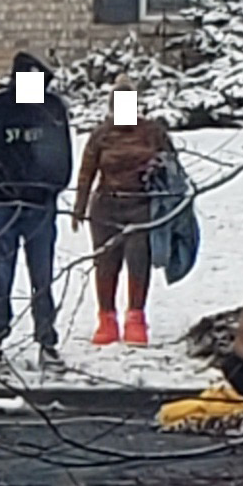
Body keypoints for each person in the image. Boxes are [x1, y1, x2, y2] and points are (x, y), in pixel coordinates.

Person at [0, 52, 73, 373]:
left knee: (43, 276)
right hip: (1, 205)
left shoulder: (52, 109)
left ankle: (47, 341)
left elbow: (62, 155)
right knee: (0, 276)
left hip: (39, 206)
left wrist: (50, 189)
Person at [71, 74, 173, 347]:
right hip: (106, 207)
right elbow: (86, 172)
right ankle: (106, 319)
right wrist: (79, 207)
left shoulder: (152, 133)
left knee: (138, 262)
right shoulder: (101, 135)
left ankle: (136, 319)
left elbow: (172, 168)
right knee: (106, 264)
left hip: (141, 207)